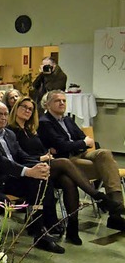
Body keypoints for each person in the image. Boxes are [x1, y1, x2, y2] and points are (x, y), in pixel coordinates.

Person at [8, 97, 122, 245]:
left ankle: (72, 228)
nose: (27, 111)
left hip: (44, 162)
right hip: (30, 167)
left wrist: (46, 153)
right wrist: (41, 156)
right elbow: (18, 154)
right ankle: (98, 196)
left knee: (68, 181)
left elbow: (52, 146)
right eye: (24, 107)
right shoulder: (11, 130)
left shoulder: (30, 130)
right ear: (16, 108)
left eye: (30, 109)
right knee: (64, 162)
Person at [0, 102, 65, 254]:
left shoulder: (9, 133)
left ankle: (39, 229)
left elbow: (21, 155)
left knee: (41, 179)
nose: (3, 117)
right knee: (36, 180)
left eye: (5, 114)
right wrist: (28, 171)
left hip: (13, 177)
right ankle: (39, 228)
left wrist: (38, 166)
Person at [38, 90, 125, 231]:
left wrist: (80, 143)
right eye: (57, 100)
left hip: (80, 154)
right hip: (66, 161)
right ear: (47, 105)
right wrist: (81, 143)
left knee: (105, 153)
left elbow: (86, 140)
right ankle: (116, 212)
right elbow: (63, 146)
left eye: (64, 100)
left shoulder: (67, 120)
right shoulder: (45, 122)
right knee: (110, 168)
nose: (62, 103)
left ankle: (114, 208)